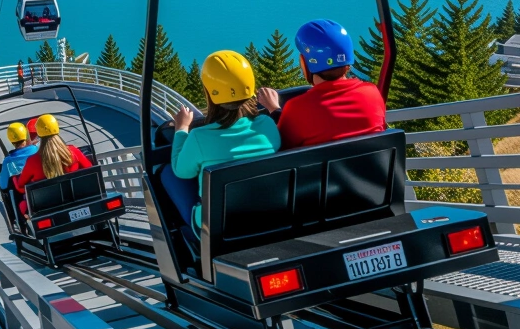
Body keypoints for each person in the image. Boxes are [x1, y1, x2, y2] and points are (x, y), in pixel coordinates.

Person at [162, 50, 280, 233]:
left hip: (219, 228)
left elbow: (182, 171)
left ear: (210, 93)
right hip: (270, 215)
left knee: (168, 172)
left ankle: (179, 234)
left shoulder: (199, 136)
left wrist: (182, 128)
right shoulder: (267, 124)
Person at [256, 19, 386, 149]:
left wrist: (274, 109)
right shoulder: (372, 94)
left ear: (305, 62)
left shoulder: (298, 109)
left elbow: (280, 146)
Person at [15, 113, 92, 215]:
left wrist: (15, 179)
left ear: (39, 134)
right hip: (78, 197)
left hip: (46, 206)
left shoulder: (32, 161)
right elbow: (90, 170)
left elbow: (21, 186)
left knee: (22, 205)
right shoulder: (73, 151)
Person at [0, 122, 39, 190]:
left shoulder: (7, 161)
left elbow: (3, 185)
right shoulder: (37, 150)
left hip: (23, 193)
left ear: (10, 139)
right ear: (25, 135)